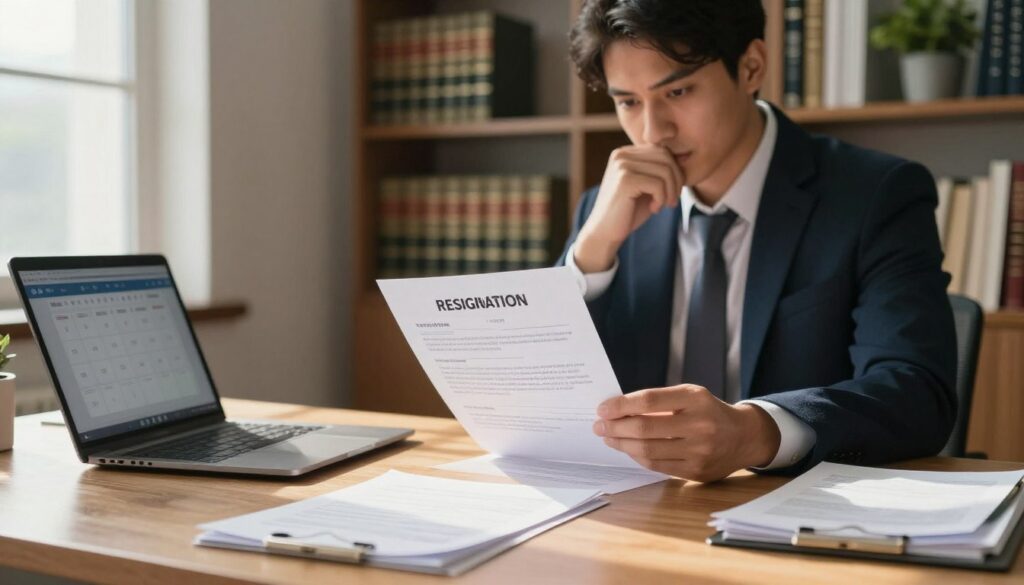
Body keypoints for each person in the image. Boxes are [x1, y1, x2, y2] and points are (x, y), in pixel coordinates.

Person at [559, 0, 957, 482]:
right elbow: (538, 396)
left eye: (678, 91)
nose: (652, 132)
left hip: (798, 515)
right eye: (628, 102)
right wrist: (591, 252)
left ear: (751, 68)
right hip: (643, 513)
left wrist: (755, 432)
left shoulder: (876, 194)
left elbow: (916, 393)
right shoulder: (603, 210)